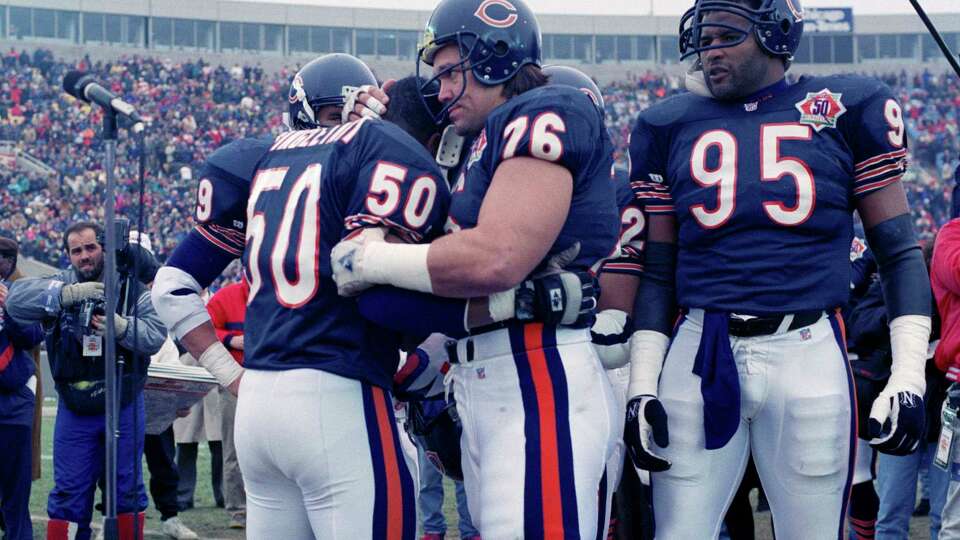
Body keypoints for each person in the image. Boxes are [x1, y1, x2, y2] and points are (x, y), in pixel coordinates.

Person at [624, 0, 932, 538]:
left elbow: (899, 251)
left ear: (774, 34)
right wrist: (642, 383)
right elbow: (658, 272)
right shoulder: (666, 124)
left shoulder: (844, 106)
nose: (707, 50)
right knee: (678, 532)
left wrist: (907, 377)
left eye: (724, 35)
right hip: (701, 348)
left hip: (806, 348)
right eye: (701, 37)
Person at [330, 0, 622, 536]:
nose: (440, 90)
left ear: (495, 56)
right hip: (486, 377)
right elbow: (405, 107)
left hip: (537, 375)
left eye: (448, 73)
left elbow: (495, 259)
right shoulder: (479, 138)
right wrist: (372, 123)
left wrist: (371, 258)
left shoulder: (544, 110)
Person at [7, 222, 167, 540]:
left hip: (123, 401)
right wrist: (65, 295)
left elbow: (155, 334)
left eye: (91, 247)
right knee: (68, 493)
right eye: (76, 250)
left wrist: (121, 326)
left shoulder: (130, 288)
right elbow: (15, 302)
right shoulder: (61, 282)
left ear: (104, 248)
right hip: (75, 406)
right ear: (68, 255)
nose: (84, 256)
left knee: (126, 490)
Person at [0, 234, 45, 540]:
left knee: (16, 489)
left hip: (13, 400)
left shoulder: (21, 289)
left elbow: (33, 337)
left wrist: (10, 306)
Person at [205, 279, 248, 529]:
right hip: (233, 380)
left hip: (270, 378)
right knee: (233, 448)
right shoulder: (225, 297)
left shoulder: (277, 293)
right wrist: (231, 339)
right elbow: (203, 329)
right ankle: (238, 512)